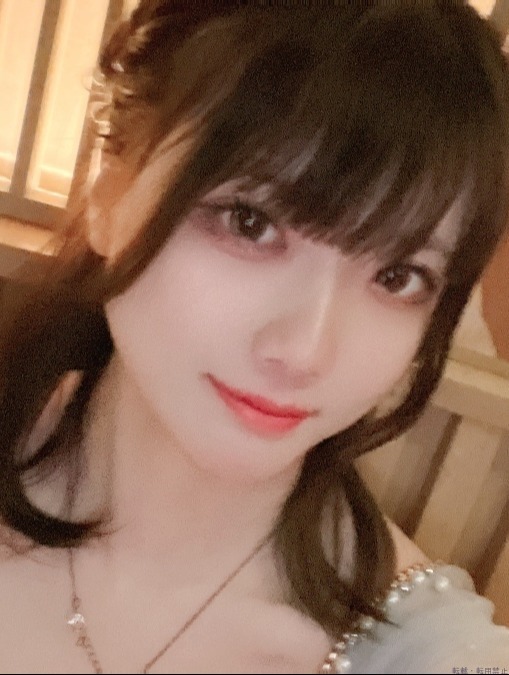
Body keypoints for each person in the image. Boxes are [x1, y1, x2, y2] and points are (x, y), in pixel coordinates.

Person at [0, 2, 508, 673]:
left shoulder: (427, 652)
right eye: (249, 222)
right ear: (110, 190)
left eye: (398, 275)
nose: (305, 353)